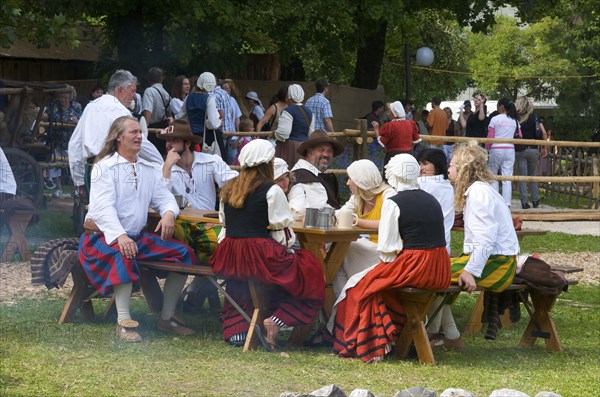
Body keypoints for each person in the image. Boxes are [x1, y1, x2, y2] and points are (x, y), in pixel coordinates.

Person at [79, 115, 198, 342]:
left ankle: (167, 317)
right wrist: (120, 236)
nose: (139, 136)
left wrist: (169, 214)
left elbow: (164, 198)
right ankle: (124, 323)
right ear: (118, 137)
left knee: (183, 254)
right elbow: (102, 208)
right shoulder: (103, 168)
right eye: (133, 132)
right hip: (101, 238)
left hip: (134, 238)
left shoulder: (148, 169)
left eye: (140, 132)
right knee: (124, 252)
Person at [328, 154, 451, 363]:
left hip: (416, 265)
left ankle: (365, 343)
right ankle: (395, 337)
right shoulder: (430, 198)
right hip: (440, 267)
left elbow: (388, 250)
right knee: (375, 286)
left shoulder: (393, 202)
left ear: (391, 174)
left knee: (362, 288)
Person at [209, 139, 325, 350]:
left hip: (231, 253)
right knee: (310, 269)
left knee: (242, 283)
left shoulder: (229, 188)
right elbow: (280, 226)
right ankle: (277, 320)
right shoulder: (271, 190)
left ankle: (239, 332)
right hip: (259, 254)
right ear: (267, 163)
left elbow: (224, 223)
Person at [157, 119, 238, 311]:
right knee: (185, 252)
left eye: (174, 140)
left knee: (228, 251)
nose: (168, 144)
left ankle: (194, 290)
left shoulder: (211, 161)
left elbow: (235, 186)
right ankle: (190, 295)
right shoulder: (162, 169)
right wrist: (167, 168)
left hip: (208, 225)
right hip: (180, 225)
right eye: (167, 140)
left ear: (187, 143)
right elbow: (159, 196)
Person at [68, 69, 163, 201]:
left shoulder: (91, 107)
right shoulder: (121, 112)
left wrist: (79, 181)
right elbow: (142, 145)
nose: (134, 96)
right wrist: (161, 164)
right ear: (120, 90)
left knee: (98, 215)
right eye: (132, 91)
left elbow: (74, 145)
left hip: (92, 172)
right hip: (114, 173)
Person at [448, 142, 519, 294]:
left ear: (463, 169)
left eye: (452, 165)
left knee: (433, 274)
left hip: (498, 264)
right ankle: (442, 318)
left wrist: (470, 271)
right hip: (494, 261)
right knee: (436, 269)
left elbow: (486, 237)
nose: (448, 170)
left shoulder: (478, 193)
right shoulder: (479, 190)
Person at [416, 148, 462, 351]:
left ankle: (436, 332)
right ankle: (449, 334)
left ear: (438, 165)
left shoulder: (424, 184)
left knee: (433, 286)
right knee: (438, 288)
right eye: (420, 163)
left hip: (427, 247)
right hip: (443, 246)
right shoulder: (447, 186)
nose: (421, 168)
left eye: (426, 163)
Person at [332, 159, 395, 296]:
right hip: (367, 249)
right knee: (336, 257)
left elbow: (388, 224)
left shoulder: (388, 195)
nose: (347, 183)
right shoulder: (358, 197)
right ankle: (344, 298)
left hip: (385, 252)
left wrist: (356, 220)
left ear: (362, 180)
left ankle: (348, 297)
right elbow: (342, 213)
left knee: (342, 249)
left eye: (351, 179)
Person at [288, 130, 344, 220]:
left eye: (329, 151)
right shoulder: (303, 175)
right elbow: (302, 211)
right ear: (309, 153)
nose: (326, 154)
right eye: (321, 150)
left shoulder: (316, 174)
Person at [42, 86, 82, 196]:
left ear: (70, 97)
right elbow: (47, 116)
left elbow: (82, 122)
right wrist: (44, 116)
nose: (62, 99)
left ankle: (76, 189)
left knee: (74, 165)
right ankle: (58, 189)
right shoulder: (54, 105)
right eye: (61, 97)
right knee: (54, 165)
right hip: (56, 140)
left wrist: (75, 120)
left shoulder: (77, 107)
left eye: (65, 97)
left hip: (71, 142)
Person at [486, 97, 521, 207]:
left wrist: (487, 150)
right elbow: (519, 136)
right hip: (510, 150)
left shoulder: (495, 119)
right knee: (507, 178)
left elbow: (490, 137)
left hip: (496, 149)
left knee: (493, 175)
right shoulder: (515, 120)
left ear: (501, 107)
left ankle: (495, 201)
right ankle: (507, 203)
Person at [515, 96, 548, 209]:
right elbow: (543, 133)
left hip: (520, 150)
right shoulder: (534, 117)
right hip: (534, 149)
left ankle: (524, 202)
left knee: (522, 176)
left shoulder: (516, 118)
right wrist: (544, 147)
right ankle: (535, 200)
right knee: (533, 175)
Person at [179, 72, 223, 156]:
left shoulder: (189, 97)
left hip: (190, 137)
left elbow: (181, 116)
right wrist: (220, 121)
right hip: (207, 139)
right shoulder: (209, 99)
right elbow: (213, 123)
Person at [371, 101, 421, 170]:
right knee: (406, 177)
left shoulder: (390, 126)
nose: (388, 114)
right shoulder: (411, 124)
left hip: (393, 156)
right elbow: (416, 140)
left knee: (391, 178)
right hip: (409, 155)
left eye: (389, 111)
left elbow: (382, 142)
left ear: (395, 114)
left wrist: (376, 130)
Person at [274, 84, 315, 167]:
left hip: (289, 147)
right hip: (304, 147)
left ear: (289, 95)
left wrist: (275, 134)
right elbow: (311, 133)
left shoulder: (288, 111)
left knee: (287, 172)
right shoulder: (309, 112)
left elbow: (283, 134)